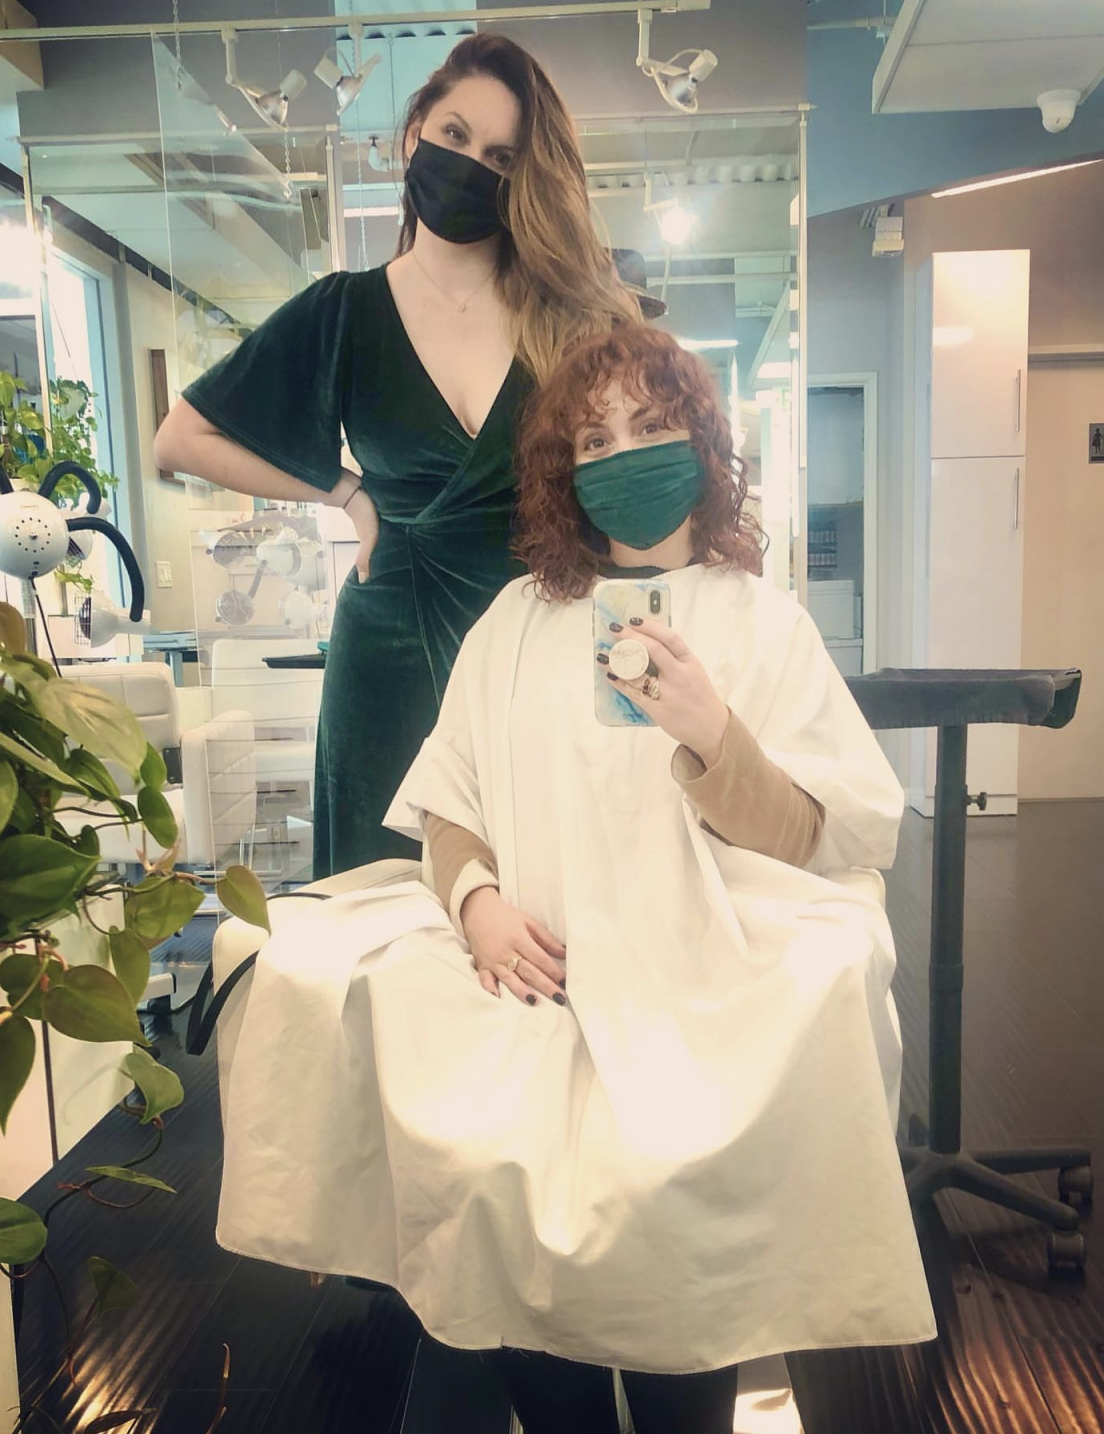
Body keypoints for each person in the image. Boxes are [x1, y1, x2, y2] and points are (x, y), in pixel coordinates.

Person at [217, 326, 937, 1432]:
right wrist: (476, 905)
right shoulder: (517, 621)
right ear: (564, 470)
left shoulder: (762, 623)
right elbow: (447, 805)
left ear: (700, 443)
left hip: (704, 978)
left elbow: (817, 835)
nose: (625, 455)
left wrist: (713, 736)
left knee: (671, 1214)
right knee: (496, 1184)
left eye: (651, 427)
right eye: (594, 440)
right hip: (536, 971)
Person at [152, 34, 639, 878]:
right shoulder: (343, 311)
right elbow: (182, 436)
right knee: (380, 898)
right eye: (455, 136)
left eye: (501, 157)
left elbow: (627, 487)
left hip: (540, 634)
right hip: (386, 651)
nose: (471, 166)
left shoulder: (571, 320)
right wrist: (345, 492)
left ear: (524, 177)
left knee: (541, 896)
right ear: (414, 133)